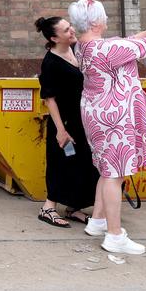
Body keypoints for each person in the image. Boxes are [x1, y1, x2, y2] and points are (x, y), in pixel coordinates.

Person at [69, 0, 146, 255]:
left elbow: (130, 43)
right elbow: (145, 46)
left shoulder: (85, 47)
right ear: (96, 22)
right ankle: (114, 235)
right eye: (104, 16)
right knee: (114, 174)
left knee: (106, 169)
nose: (107, 19)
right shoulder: (105, 49)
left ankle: (98, 221)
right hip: (114, 119)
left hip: (97, 114)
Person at [34, 15, 99, 229]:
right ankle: (48, 207)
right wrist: (60, 130)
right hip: (64, 122)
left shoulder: (75, 49)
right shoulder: (51, 63)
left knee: (82, 163)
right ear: (54, 38)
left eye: (70, 27)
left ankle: (74, 207)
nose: (72, 31)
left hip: (82, 119)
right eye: (66, 31)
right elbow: (49, 98)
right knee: (60, 162)